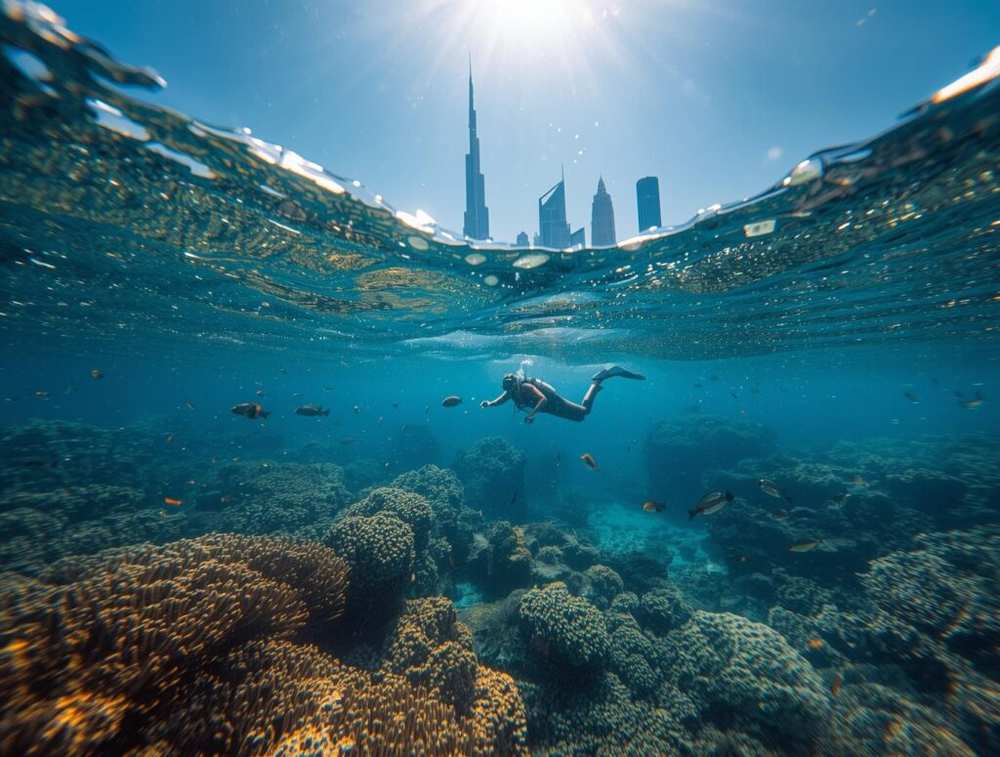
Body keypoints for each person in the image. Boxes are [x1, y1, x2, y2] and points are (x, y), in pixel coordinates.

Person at [480, 366, 645, 423]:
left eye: (510, 389)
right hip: (550, 408)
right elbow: (501, 400)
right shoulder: (512, 392)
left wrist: (532, 414)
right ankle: (597, 383)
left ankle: (598, 380)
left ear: (515, 384)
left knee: (583, 412)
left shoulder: (525, 388)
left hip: (553, 402)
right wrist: (490, 403)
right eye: (507, 390)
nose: (508, 392)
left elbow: (543, 399)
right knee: (580, 418)